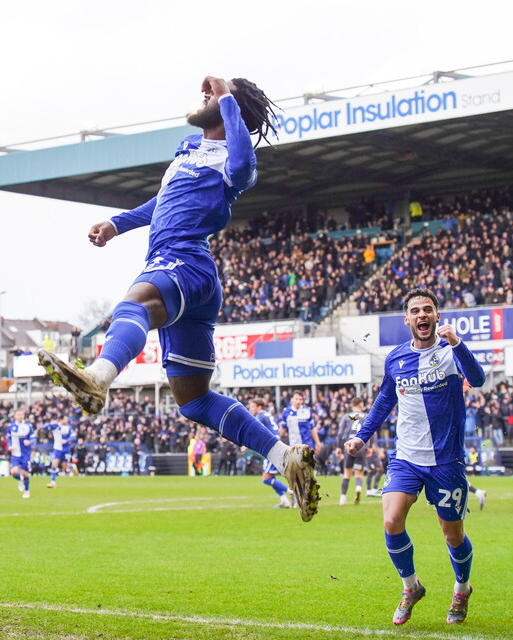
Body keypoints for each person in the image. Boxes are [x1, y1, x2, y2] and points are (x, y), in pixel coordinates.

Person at [36, 75, 319, 521]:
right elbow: (163, 198)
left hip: (184, 261)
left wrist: (227, 98)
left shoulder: (234, 156)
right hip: (189, 276)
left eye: (214, 95)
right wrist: (118, 223)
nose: (204, 95)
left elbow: (244, 165)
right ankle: (285, 458)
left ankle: (97, 378)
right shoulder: (189, 148)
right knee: (194, 401)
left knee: (133, 306)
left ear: (232, 109)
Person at [345, 288, 486, 626]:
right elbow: (384, 401)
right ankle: (411, 587)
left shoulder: (450, 352)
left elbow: (478, 379)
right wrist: (361, 436)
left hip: (446, 461)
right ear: (407, 319)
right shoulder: (396, 358)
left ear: (437, 316)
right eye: (415, 311)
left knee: (452, 534)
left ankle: (462, 588)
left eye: (428, 309)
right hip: (406, 458)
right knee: (391, 521)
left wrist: (458, 345)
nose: (422, 315)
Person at [248, 398, 293, 509]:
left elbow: (255, 431)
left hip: (271, 448)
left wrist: (246, 442)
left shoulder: (260, 416)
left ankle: (291, 492)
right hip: (273, 446)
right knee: (270, 477)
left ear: (259, 407)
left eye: (253, 406)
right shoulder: (266, 415)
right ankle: (284, 501)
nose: (250, 409)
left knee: (266, 479)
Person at [337, 397, 367, 505]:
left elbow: (340, 433)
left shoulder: (346, 417)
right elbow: (373, 433)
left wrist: (339, 447)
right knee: (359, 473)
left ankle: (343, 498)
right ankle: (358, 489)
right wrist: (371, 447)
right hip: (361, 446)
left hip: (349, 445)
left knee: (347, 473)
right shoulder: (366, 416)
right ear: (360, 404)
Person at [7, 409, 35, 498]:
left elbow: (34, 439)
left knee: (24, 473)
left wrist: (29, 442)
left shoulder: (28, 426)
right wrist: (9, 446)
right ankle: (20, 480)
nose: (20, 416)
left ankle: (27, 491)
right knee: (13, 472)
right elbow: (9, 438)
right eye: (18, 414)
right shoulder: (11, 426)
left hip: (25, 453)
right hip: (15, 453)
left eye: (21, 414)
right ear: (15, 416)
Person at [45, 415, 75, 488]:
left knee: (65, 465)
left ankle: (72, 467)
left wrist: (67, 440)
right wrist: (51, 423)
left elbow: (74, 437)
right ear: (61, 419)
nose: (67, 420)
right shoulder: (55, 426)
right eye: (65, 419)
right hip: (57, 448)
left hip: (66, 449)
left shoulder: (68, 427)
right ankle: (53, 482)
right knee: (54, 464)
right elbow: (43, 427)